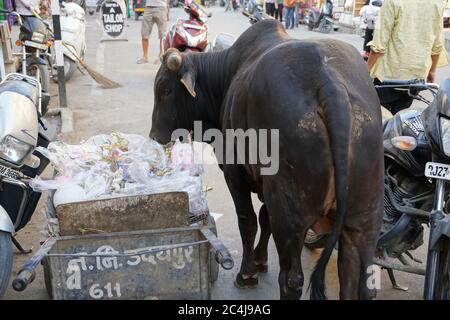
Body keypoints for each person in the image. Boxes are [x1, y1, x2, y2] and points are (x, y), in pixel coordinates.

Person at [367, 0, 447, 114]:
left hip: (388, 76)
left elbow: (379, 44)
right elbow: (437, 44)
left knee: (379, 118)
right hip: (416, 76)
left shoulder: (392, 1)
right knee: (399, 117)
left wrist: (366, 71)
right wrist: (432, 71)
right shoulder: (437, 3)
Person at [137, 0, 168, 64]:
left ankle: (161, 56)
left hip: (161, 7)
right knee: (144, 33)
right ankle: (145, 57)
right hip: (148, 7)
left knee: (162, 34)